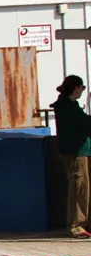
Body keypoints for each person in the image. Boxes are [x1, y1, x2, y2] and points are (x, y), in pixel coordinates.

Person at [51, 74, 91, 237]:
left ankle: (82, 223)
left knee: (83, 188)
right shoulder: (67, 107)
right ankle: (76, 225)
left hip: (80, 151)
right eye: (82, 87)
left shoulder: (68, 106)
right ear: (76, 88)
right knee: (79, 188)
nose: (82, 91)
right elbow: (84, 124)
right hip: (75, 152)